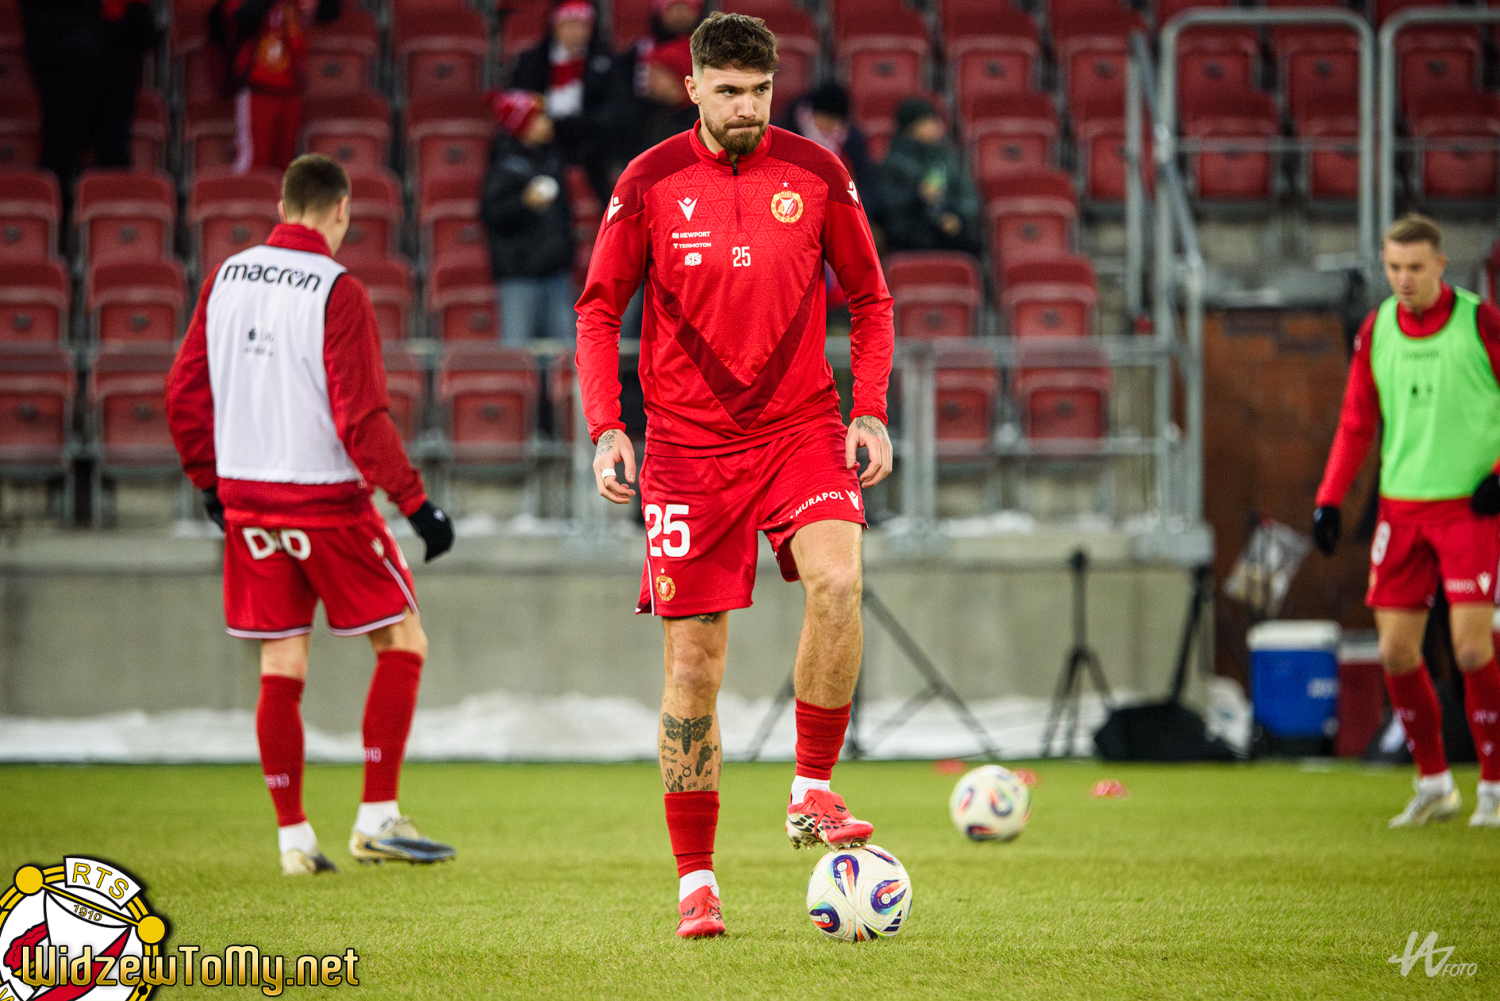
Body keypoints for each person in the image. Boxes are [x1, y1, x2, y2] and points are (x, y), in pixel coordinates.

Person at [575, 13, 895, 938]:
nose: (747, 107)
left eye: (759, 91)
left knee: (839, 582)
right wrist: (608, 427)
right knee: (693, 665)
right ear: (693, 89)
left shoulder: (818, 172)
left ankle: (811, 788)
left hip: (801, 428)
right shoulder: (648, 182)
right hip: (686, 448)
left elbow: (871, 297)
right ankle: (697, 880)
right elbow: (598, 310)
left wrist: (869, 407)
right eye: (728, 91)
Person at [166, 154, 458, 876]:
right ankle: (377, 816)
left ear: (283, 206)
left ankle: (294, 838)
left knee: (281, 660)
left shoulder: (226, 277)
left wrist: (209, 482)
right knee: (403, 640)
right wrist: (416, 503)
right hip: (324, 500)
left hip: (249, 502)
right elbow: (362, 417)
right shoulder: (337, 288)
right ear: (342, 209)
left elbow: (183, 392)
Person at [1313, 213, 1500, 829]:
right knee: (1395, 653)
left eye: (1415, 267)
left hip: (1470, 508)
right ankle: (1435, 784)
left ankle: (1495, 787)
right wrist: (1329, 499)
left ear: (1440, 265)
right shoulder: (1377, 329)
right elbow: (1356, 420)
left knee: (1471, 650)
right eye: (1394, 267)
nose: (1404, 279)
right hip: (1401, 508)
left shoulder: (1480, 321)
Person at [18, 0, 159, 201]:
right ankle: (53, 210)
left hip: (119, 44)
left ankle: (108, 212)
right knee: (61, 144)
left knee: (114, 146)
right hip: (65, 49)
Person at [482, 90, 577, 346]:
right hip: (519, 276)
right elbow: (492, 215)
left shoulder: (552, 160)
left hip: (555, 273)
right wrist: (523, 203)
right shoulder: (503, 166)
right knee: (519, 355)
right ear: (522, 124)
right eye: (539, 118)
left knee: (566, 354)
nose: (547, 123)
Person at [212, 0, 341, 173]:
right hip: (258, 91)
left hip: (291, 91)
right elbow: (239, 18)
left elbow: (330, 12)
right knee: (254, 164)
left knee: (284, 167)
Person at [508, 0, 618, 202]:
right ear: (555, 26)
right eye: (570, 25)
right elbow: (519, 105)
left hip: (590, 139)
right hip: (545, 139)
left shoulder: (607, 61)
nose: (577, 32)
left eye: (583, 25)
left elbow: (614, 108)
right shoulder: (531, 61)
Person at [877, 97, 980, 256]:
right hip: (910, 234)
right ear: (911, 128)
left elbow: (967, 195)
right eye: (929, 122)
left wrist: (958, 217)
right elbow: (887, 204)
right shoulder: (893, 163)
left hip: (950, 230)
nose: (938, 126)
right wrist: (917, 196)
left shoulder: (947, 157)